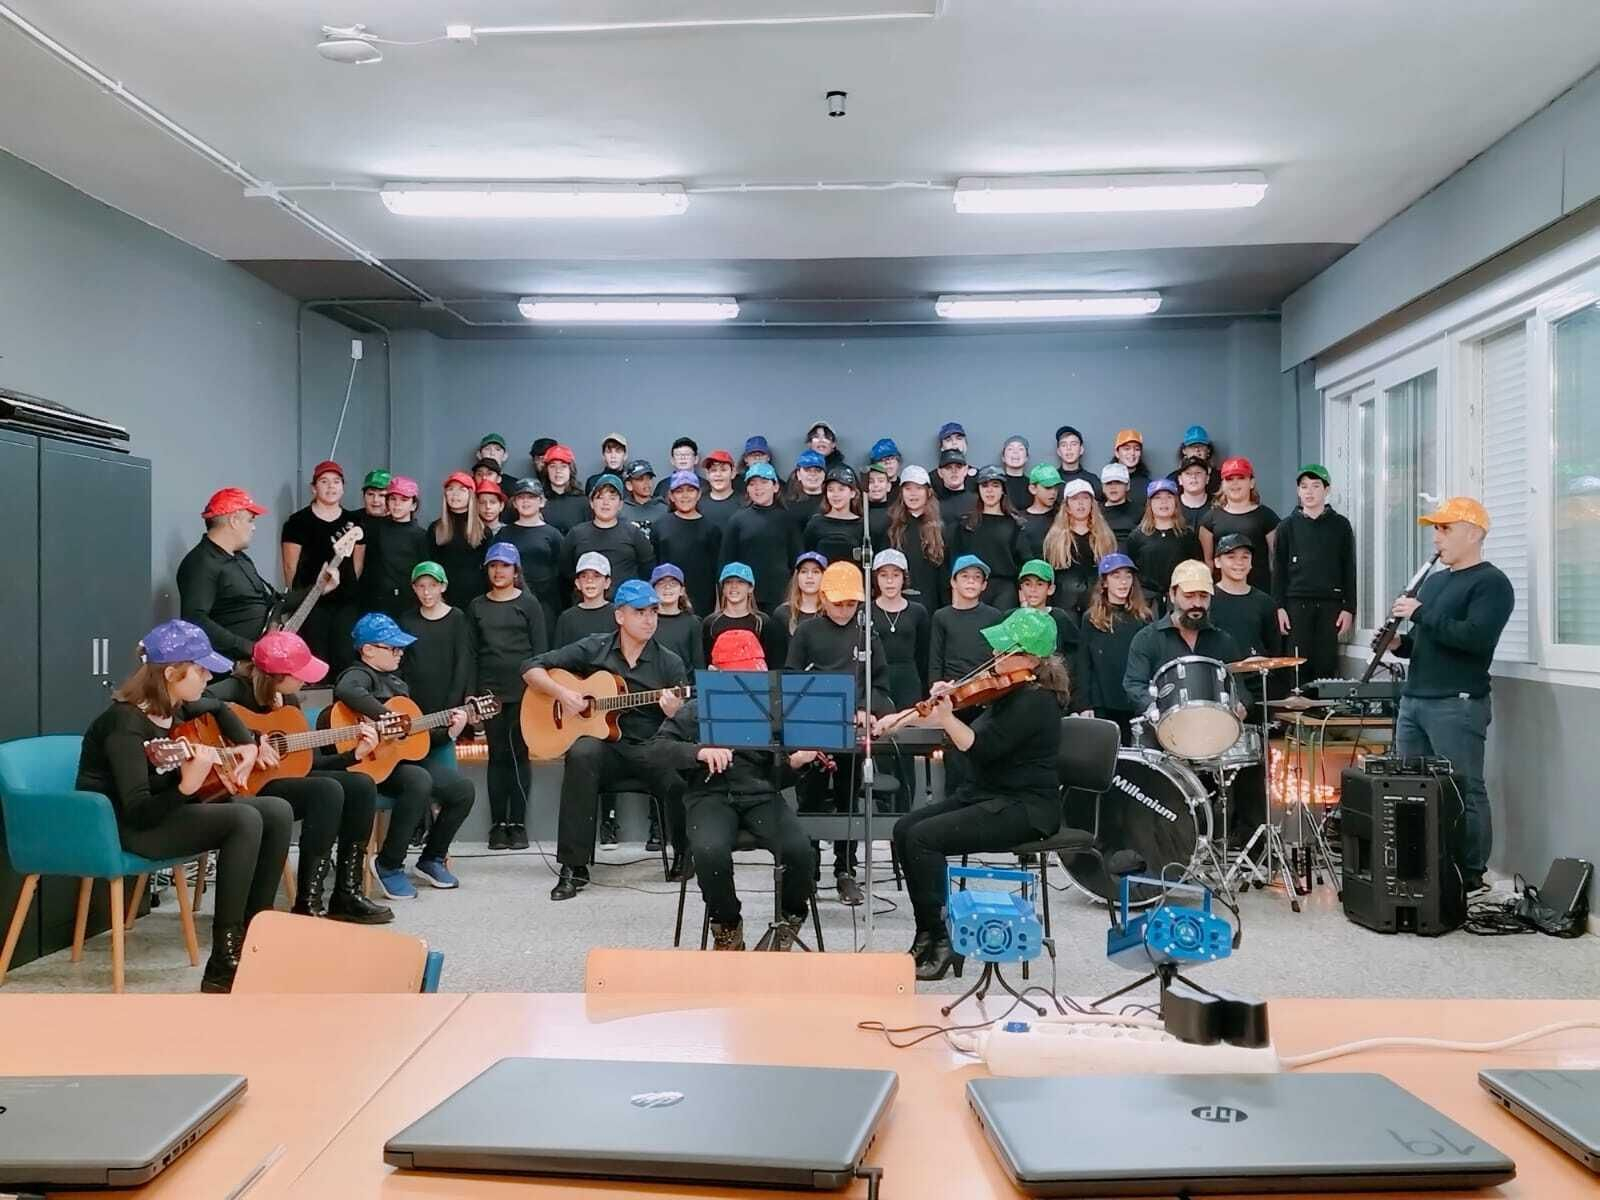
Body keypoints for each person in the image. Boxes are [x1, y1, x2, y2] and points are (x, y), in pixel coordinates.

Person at [78, 620, 286, 992]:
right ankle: (223, 960)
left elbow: (220, 707)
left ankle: (258, 937)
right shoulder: (125, 724)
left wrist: (249, 744)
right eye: (201, 669)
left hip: (163, 815)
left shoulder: (175, 709)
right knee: (243, 817)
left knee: (276, 810)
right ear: (172, 673)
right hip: (124, 829)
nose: (207, 677)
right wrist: (188, 786)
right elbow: (137, 811)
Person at [883, 608, 1068, 980]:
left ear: (1030, 658)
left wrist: (947, 718)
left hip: (1025, 807)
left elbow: (979, 746)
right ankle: (926, 933)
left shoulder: (1036, 700)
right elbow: (964, 722)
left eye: (1005, 651)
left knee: (923, 839)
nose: (995, 657)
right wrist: (907, 717)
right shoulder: (1008, 691)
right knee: (904, 828)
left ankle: (943, 940)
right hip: (987, 795)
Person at [205, 630, 392, 924]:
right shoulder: (230, 690)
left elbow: (307, 762)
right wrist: (251, 740)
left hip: (278, 780)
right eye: (299, 674)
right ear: (277, 676)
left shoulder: (289, 700)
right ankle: (308, 900)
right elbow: (195, 711)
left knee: (360, 784)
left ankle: (346, 892)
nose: (306, 680)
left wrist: (353, 755)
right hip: (241, 785)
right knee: (326, 791)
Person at [522, 579, 691, 900]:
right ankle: (574, 866)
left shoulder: (670, 662)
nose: (649, 619)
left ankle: (685, 853)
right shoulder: (593, 648)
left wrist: (675, 711)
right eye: (640, 612)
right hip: (607, 752)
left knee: (679, 763)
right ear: (620, 616)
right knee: (582, 752)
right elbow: (531, 668)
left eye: (654, 611)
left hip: (649, 748)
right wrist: (564, 694)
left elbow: (684, 720)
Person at [652, 629, 817, 950]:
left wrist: (796, 764)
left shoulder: (772, 712)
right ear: (715, 674)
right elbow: (656, 750)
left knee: (800, 849)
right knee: (708, 851)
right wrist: (698, 752)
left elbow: (778, 776)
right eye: (736, 674)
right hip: (709, 796)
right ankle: (727, 924)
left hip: (761, 796)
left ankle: (790, 918)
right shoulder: (696, 710)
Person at [1388, 497, 1514, 896]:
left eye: (1445, 529)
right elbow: (1429, 642)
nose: (1436, 537)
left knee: (1464, 788)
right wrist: (1398, 644)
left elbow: (1475, 640)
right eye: (1435, 529)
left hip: (1456, 702)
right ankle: (1422, 869)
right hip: (1415, 698)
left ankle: (1472, 874)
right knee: (1411, 788)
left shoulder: (1491, 583)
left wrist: (1421, 613)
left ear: (1473, 533)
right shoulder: (1437, 581)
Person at [335, 613, 475, 899]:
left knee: (463, 790)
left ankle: (431, 858)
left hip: (400, 761)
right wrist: (389, 719)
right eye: (393, 648)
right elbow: (346, 690)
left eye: (401, 648)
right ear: (368, 650)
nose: (400, 653)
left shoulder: (399, 686)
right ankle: (388, 864)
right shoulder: (359, 673)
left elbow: (415, 738)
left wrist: (450, 730)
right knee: (418, 780)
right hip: (368, 763)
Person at [787, 562, 893, 905]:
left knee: (850, 799)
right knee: (811, 798)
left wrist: (868, 707)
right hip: (815, 727)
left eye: (851, 604)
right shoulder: (806, 632)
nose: (845, 610)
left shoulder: (867, 634)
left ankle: (845, 869)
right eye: (838, 604)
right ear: (823, 599)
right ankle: (809, 868)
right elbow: (792, 679)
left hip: (853, 729)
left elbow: (878, 681)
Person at [469, 542, 548, 852]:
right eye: (493, 566)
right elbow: (473, 652)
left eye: (505, 565)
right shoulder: (477, 606)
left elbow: (540, 650)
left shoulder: (529, 604)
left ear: (516, 571)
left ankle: (518, 824)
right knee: (497, 756)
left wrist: (540, 690)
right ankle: (497, 824)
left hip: (524, 691)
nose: (498, 571)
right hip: (490, 693)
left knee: (520, 755)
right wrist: (474, 695)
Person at [1122, 560, 1246, 720]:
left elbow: (1240, 688)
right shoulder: (1147, 639)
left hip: (1213, 731)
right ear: (1172, 595)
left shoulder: (1223, 641)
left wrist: (1240, 704)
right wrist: (1155, 709)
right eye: (1189, 596)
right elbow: (1134, 685)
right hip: (1163, 732)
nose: (1197, 603)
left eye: (1204, 596)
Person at [1272, 463, 1357, 682]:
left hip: (1330, 605)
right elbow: (1279, 571)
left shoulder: (1341, 525)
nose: (1309, 492)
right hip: (1296, 605)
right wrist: (1279, 606)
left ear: (1327, 489)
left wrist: (1349, 608)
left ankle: (1323, 712)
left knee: (1326, 664)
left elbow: (1349, 568)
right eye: (1304, 486)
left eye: (1316, 486)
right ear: (1298, 491)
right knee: (1297, 665)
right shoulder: (1286, 527)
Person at [176, 487, 280, 664]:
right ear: (234, 520)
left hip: (258, 660)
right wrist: (249, 648)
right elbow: (195, 619)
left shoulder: (241, 559)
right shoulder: (200, 562)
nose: (253, 528)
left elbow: (272, 601)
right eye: (250, 520)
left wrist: (320, 585)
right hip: (230, 666)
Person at [929, 555, 1003, 798]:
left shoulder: (993, 616)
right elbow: (936, 658)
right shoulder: (942, 617)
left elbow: (998, 659)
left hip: (985, 697)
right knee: (956, 763)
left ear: (984, 585)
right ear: (953, 582)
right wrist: (936, 687)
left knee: (984, 758)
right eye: (965, 577)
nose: (971, 582)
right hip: (954, 701)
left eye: (977, 578)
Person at [280, 460, 363, 666]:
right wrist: (300, 598)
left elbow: (358, 564)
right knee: (314, 658)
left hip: (345, 603)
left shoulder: (354, 521)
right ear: (313, 487)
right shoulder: (297, 522)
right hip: (311, 601)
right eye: (324, 481)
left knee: (344, 656)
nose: (331, 486)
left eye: (336, 481)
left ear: (343, 487)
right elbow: (290, 566)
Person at [871, 548, 931, 813]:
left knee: (907, 744)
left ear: (904, 578)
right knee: (882, 745)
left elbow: (923, 652)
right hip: (880, 679)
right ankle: (885, 809)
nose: (890, 581)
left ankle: (906, 810)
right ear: (876, 579)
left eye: (895, 575)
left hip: (908, 678)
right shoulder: (867, 611)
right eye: (884, 575)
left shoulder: (917, 612)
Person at [1072, 554, 1153, 740]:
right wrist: (1083, 704)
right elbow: (1084, 664)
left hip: (1134, 701)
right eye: (1116, 576)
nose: (1123, 582)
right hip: (1103, 701)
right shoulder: (1091, 619)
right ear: (1105, 582)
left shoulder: (1144, 617)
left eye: (1128, 576)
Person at [719, 462, 799, 612]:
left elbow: (797, 560)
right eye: (752, 484)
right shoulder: (737, 521)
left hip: (781, 596)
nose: (758, 488)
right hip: (746, 596)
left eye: (763, 482)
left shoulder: (788, 520)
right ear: (747, 489)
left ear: (775, 487)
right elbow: (726, 563)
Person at [494, 477, 564, 634]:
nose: (526, 502)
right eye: (521, 497)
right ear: (514, 502)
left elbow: (562, 571)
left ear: (542, 502)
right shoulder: (504, 534)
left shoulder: (553, 534)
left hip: (545, 605)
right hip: (509, 603)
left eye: (531, 497)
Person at [1199, 456, 1280, 591]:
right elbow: (1207, 563)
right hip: (1221, 594)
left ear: (1252, 482)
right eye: (1229, 479)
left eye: (1241, 478)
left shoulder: (1267, 517)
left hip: (1260, 591)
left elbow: (1276, 560)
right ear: (1223, 484)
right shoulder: (1209, 519)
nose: (1235, 484)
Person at [561, 473, 655, 588]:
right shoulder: (576, 534)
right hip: (588, 602)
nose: (606, 503)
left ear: (620, 504)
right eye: (600, 497)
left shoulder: (633, 533)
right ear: (591, 503)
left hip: (625, 604)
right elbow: (566, 571)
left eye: (612, 498)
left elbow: (648, 569)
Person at [952, 465, 1026, 610]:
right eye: (985, 485)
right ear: (978, 490)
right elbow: (955, 561)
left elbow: (1023, 563)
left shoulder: (1015, 525)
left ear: (1003, 490)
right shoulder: (966, 525)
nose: (990, 490)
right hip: (971, 587)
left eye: (995, 485)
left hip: (1005, 590)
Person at [651, 469, 722, 616]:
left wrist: (719, 605)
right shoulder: (659, 526)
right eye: (679, 491)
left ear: (699, 494)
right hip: (667, 599)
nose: (685, 496)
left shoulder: (711, 529)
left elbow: (717, 571)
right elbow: (653, 566)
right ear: (671, 495)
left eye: (690, 490)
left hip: (703, 602)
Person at [1041, 479, 1116, 613]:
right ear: (1067, 506)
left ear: (1092, 504)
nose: (1080, 503)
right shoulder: (1054, 538)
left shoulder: (1105, 537)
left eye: (1085, 498)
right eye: (1075, 499)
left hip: (1096, 602)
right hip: (1064, 603)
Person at [1127, 478, 1202, 612]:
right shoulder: (1137, 536)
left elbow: (1196, 568)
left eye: (1169, 497)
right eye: (1157, 498)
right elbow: (1132, 572)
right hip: (1147, 603)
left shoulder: (1187, 536)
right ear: (1150, 504)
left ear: (1176, 502)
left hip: (1180, 600)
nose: (1164, 502)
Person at [361, 476, 430, 617]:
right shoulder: (375, 530)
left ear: (413, 505)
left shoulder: (421, 536)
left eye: (404, 500)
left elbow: (424, 573)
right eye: (393, 499)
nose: (397, 504)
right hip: (375, 603)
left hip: (408, 604)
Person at [886, 465, 949, 611]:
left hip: (931, 603)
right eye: (908, 489)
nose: (913, 494)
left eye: (919, 488)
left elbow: (944, 574)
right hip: (897, 601)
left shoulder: (941, 529)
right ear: (901, 493)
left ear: (928, 492)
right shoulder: (890, 527)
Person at [703, 561, 782, 668]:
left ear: (750, 588)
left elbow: (773, 662)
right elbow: (706, 661)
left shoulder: (762, 622)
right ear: (723, 588)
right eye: (729, 582)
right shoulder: (711, 623)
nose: (734, 586)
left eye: (740, 582)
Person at [431, 472, 489, 607]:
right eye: (450, 489)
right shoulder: (435, 528)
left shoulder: (483, 530)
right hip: (443, 599)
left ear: (471, 495)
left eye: (461, 489)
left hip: (475, 600)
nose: (455, 494)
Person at [1017, 558, 1079, 659]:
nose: (1033, 590)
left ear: (1050, 589)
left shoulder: (1059, 617)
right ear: (1021, 588)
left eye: (1040, 584)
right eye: (1028, 584)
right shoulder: (1013, 617)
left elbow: (1075, 649)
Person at [804, 465, 867, 565]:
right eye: (830, 490)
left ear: (853, 493)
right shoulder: (816, 524)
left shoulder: (864, 526)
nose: (835, 494)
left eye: (841, 489)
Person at [555, 551, 617, 645]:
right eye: (584, 576)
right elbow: (559, 655)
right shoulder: (567, 619)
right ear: (577, 583)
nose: (590, 580)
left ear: (607, 582)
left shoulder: (618, 615)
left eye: (597, 576)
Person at [651, 564, 703, 670]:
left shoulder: (692, 622)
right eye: (661, 583)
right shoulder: (647, 621)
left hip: (683, 683)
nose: (667, 587)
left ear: (681, 591)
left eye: (673, 583)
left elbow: (698, 662)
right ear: (653, 589)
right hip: (652, 683)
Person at [773, 551, 826, 642]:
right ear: (797, 576)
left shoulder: (831, 613)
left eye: (816, 572)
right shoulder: (782, 613)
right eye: (804, 571)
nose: (809, 576)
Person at [541, 444, 590, 534]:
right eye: (552, 466)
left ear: (571, 470)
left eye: (563, 466)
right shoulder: (539, 501)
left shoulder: (583, 502)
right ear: (546, 470)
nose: (558, 470)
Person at [1166, 424, 1223, 495]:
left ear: (1208, 450)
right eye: (1192, 446)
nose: (1197, 449)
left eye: (1201, 446)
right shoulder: (1173, 479)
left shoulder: (1221, 478)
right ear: (1184, 451)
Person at [1020, 464, 1061, 558]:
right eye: (1048, 487)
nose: (1053, 492)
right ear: (1033, 489)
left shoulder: (1063, 516)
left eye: (1056, 487)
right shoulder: (1020, 520)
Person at [621, 459, 668, 535]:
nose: (647, 483)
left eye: (649, 478)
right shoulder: (620, 511)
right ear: (629, 485)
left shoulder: (664, 510)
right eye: (640, 479)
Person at [1098, 463, 1139, 550]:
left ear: (1127, 486)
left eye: (1118, 482)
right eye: (1108, 483)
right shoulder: (1094, 512)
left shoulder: (1140, 512)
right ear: (1103, 487)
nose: (1113, 487)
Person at [1052, 425, 1101, 497]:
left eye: (1073, 444)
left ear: (1081, 450)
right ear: (1058, 451)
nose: (1068, 448)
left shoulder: (1092, 480)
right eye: (1064, 445)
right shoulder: (1052, 480)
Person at [786, 449, 828, 529]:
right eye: (807, 470)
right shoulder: (787, 504)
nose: (813, 474)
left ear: (824, 475)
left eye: (818, 470)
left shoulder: (833, 502)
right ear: (798, 474)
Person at [699, 449, 740, 528]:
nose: (718, 474)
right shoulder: (698, 504)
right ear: (707, 475)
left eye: (723, 470)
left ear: (733, 473)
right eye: (713, 470)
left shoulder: (744, 504)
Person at [933, 448, 977, 519]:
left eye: (959, 467)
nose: (954, 471)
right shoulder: (932, 503)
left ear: (966, 470)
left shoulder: (978, 502)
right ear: (940, 472)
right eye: (948, 467)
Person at [1175, 455, 1214, 527]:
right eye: (1188, 473)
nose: (1193, 477)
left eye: (1198, 473)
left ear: (1207, 478)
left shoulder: (1218, 505)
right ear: (1180, 479)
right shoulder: (1172, 506)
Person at [998, 435, 1032, 511]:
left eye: (1021, 449)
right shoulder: (996, 483)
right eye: (1010, 449)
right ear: (1003, 457)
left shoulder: (1033, 485)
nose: (1015, 452)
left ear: (1027, 457)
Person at [865, 462, 894, 548]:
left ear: (888, 486)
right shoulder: (859, 513)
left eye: (881, 481)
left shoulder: (896, 514)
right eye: (871, 481)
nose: (876, 485)